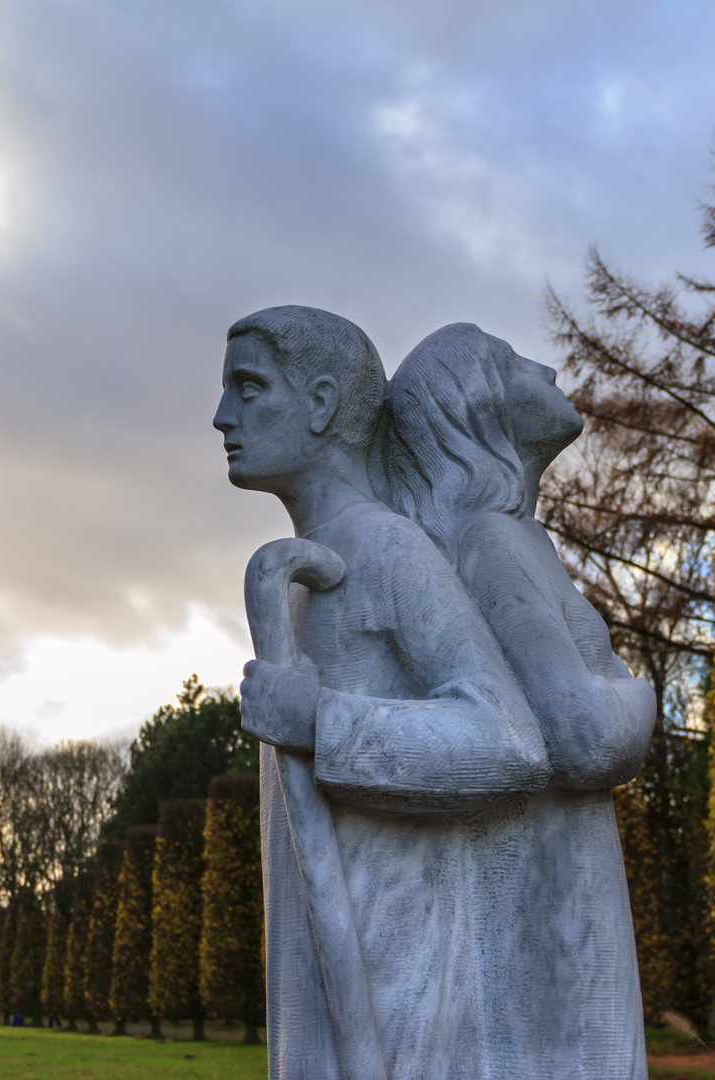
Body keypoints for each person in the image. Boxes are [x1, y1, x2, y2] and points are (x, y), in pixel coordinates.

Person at [213, 305, 553, 1080]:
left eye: (250, 387)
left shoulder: (385, 545)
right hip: (324, 981)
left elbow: (508, 740)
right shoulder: (312, 567)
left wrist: (324, 721)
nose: (221, 415)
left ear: (324, 405)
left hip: (398, 994)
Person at [381, 321, 656, 1080]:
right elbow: (586, 738)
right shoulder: (492, 542)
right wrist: (643, 692)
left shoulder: (493, 535)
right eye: (509, 361)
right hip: (558, 898)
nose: (545, 365)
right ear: (471, 407)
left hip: (548, 881)